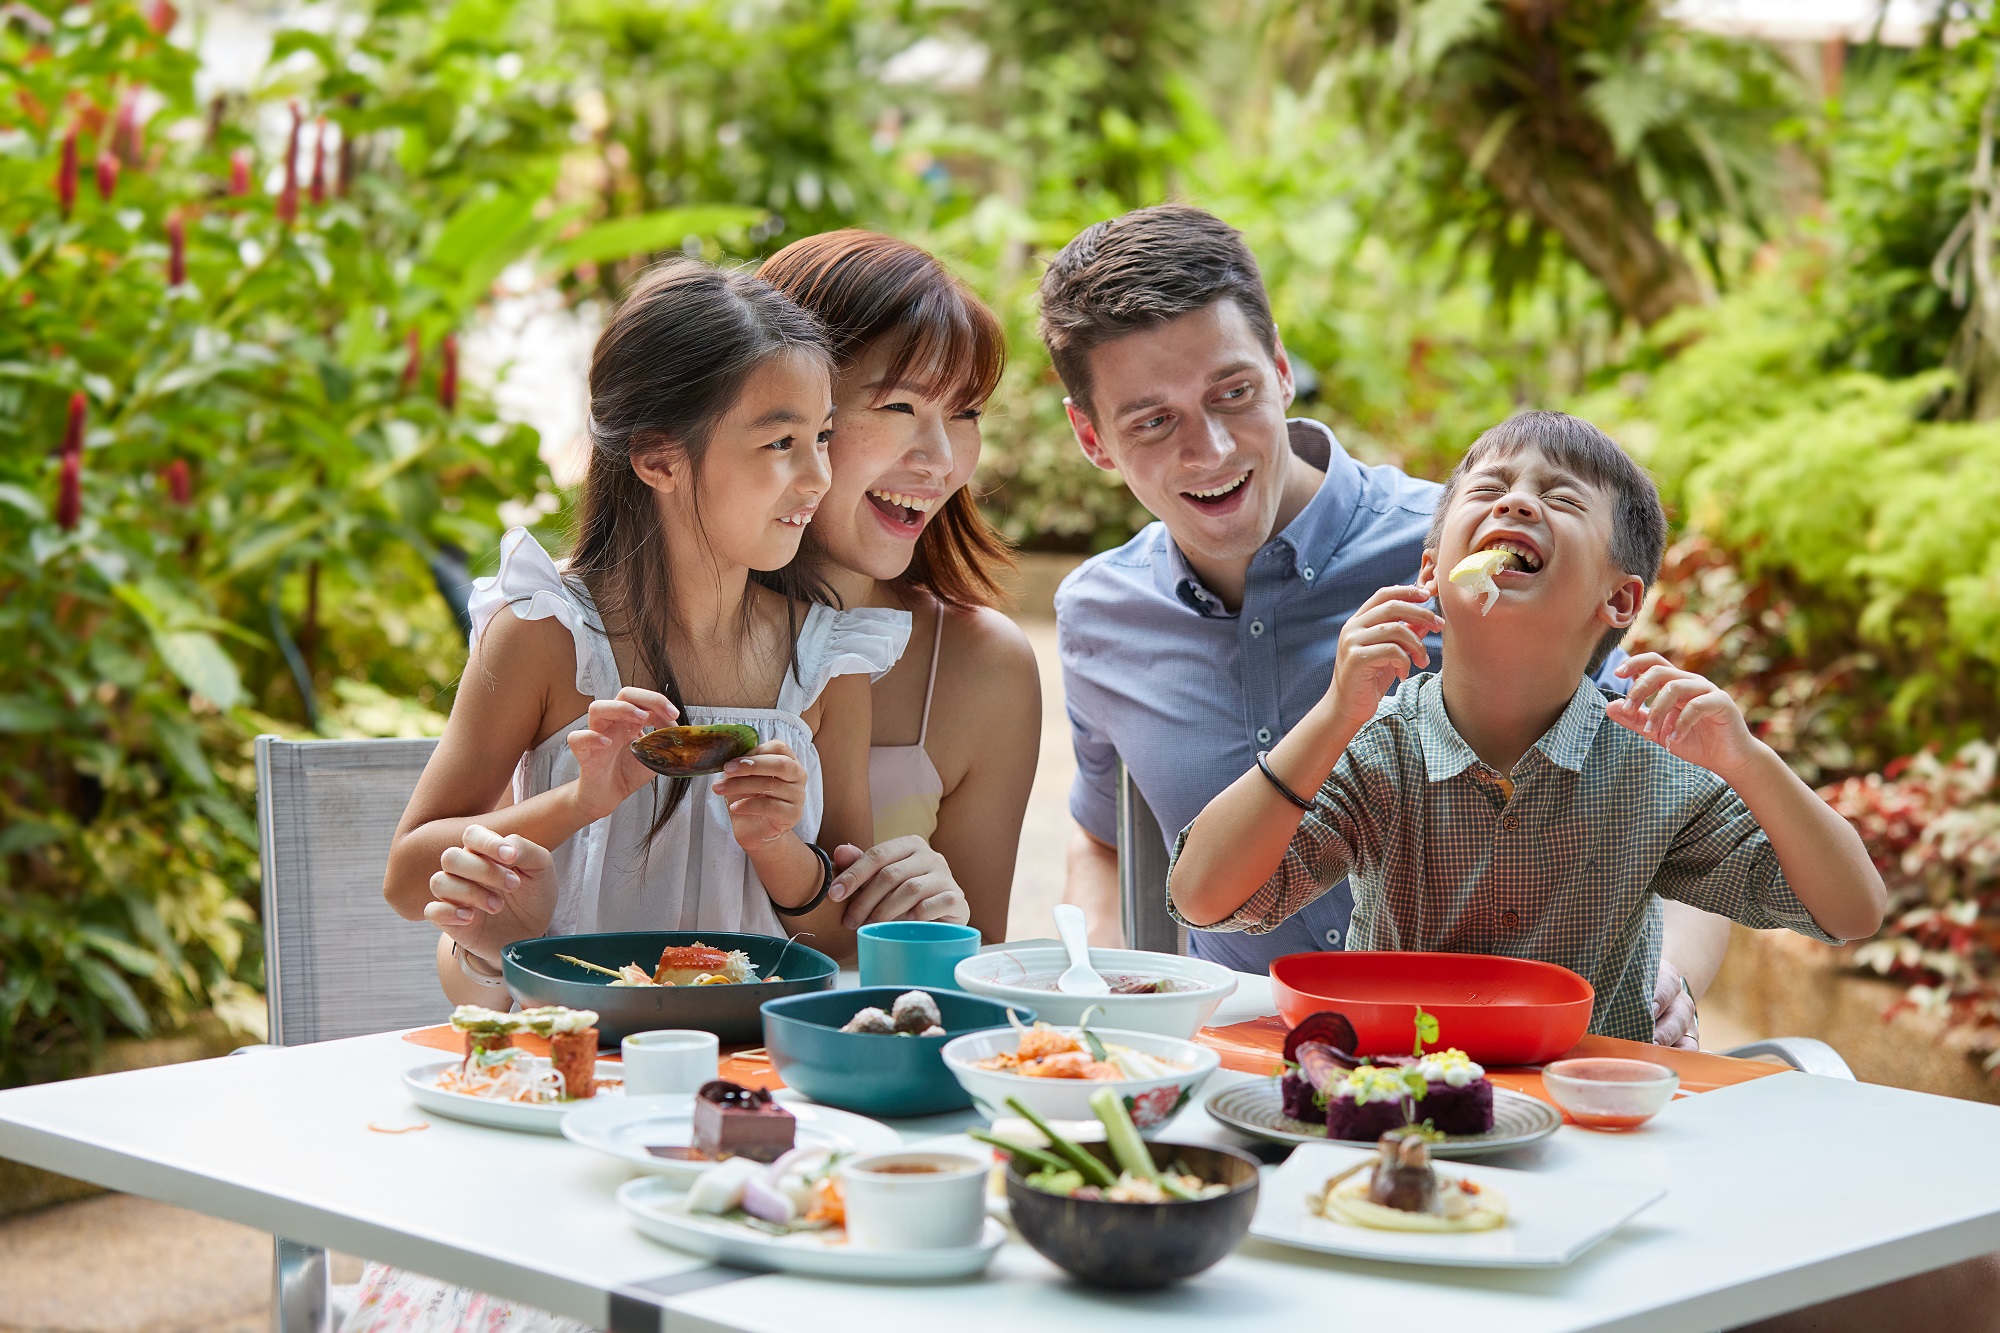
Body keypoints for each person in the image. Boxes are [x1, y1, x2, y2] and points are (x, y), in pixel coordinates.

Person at [1040, 203, 1721, 1044]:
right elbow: (1101, 839)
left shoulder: (1469, 547)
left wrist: (1671, 971)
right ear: (1091, 437)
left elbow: (1674, 780)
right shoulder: (1098, 615)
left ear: (1282, 367)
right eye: (1152, 420)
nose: (1210, 449)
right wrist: (1097, 987)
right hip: (1247, 1068)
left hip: (1489, 1060)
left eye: (1235, 392)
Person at [1166, 410, 1888, 1039]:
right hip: (1403, 1102)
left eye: (1559, 497)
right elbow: (1204, 898)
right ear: (1431, 572)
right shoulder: (1376, 748)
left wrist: (1748, 759)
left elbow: (1851, 910)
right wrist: (1332, 714)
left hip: (1596, 1118)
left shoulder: (1651, 766)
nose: (1514, 503)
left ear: (1620, 599)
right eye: (1488, 490)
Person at [382, 258, 908, 1009]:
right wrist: (579, 801)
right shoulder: (549, 633)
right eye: (780, 442)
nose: (818, 476)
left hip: (751, 1065)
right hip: (575, 1054)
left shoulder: (826, 659)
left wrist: (776, 844)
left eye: (821, 437)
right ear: (660, 458)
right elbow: (408, 878)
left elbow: (841, 937)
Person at [760, 230, 1040, 943]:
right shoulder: (613, 624)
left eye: (967, 413)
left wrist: (947, 926)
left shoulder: (983, 666)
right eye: (898, 408)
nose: (941, 460)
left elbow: (976, 990)